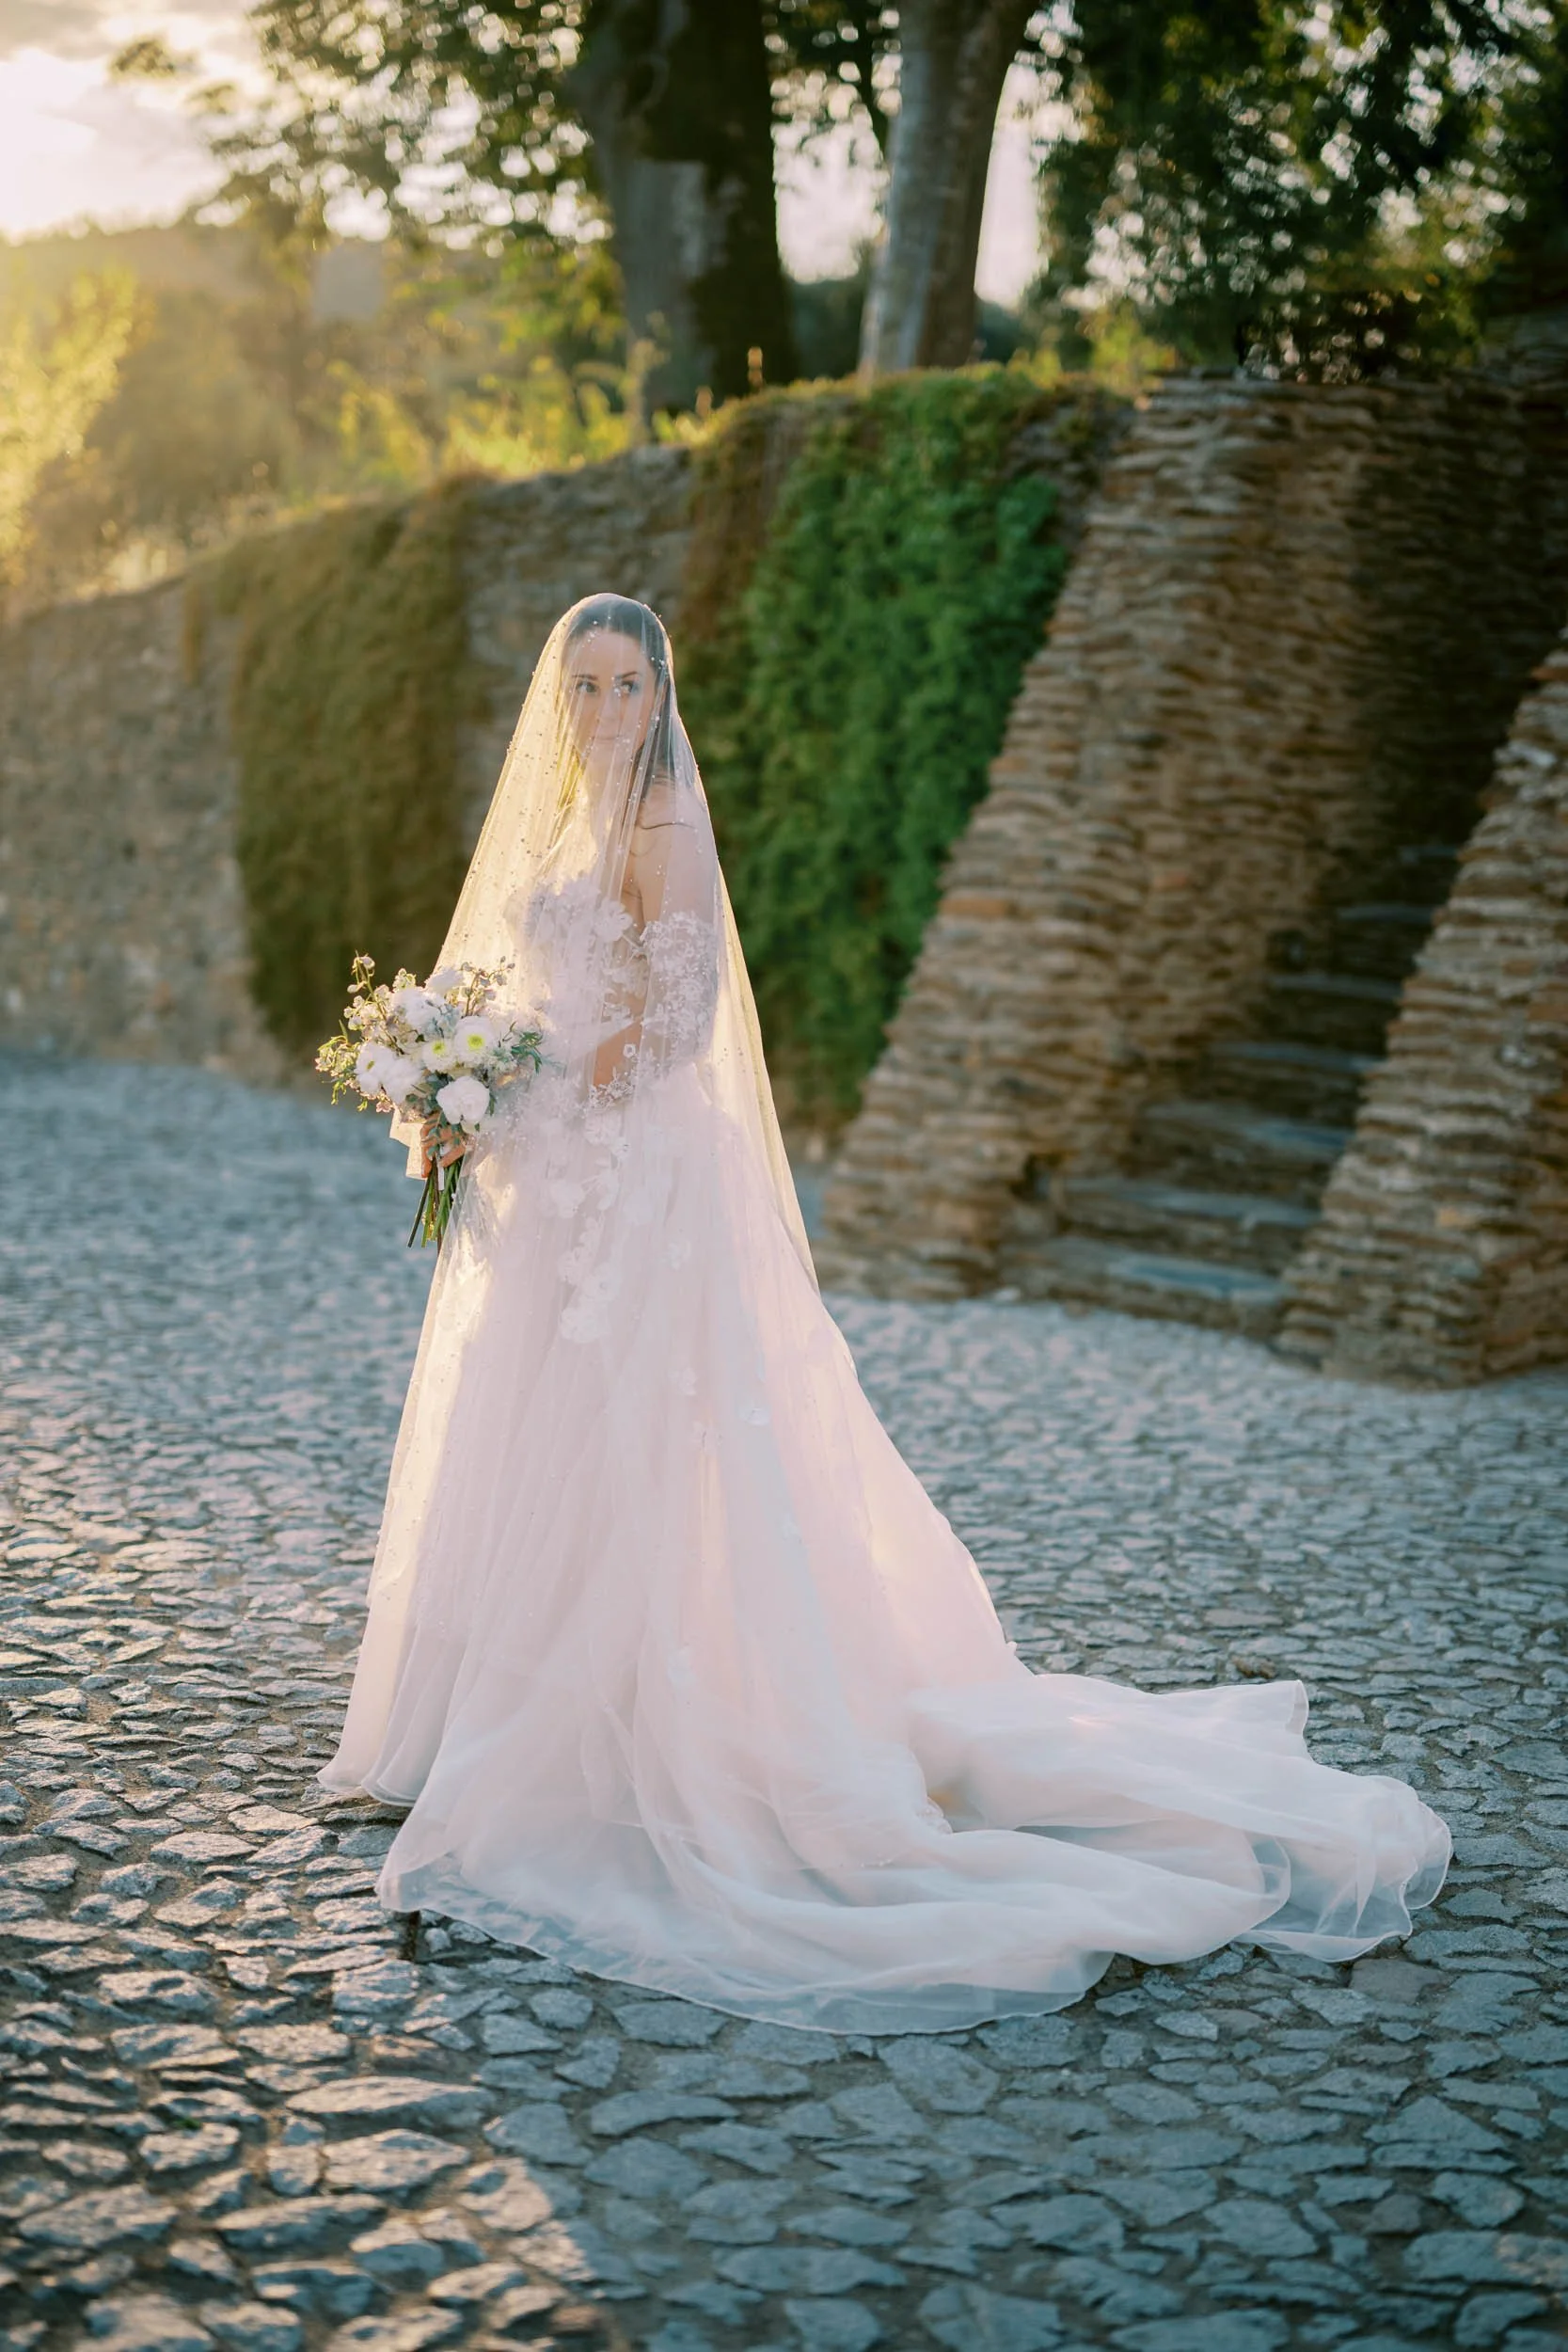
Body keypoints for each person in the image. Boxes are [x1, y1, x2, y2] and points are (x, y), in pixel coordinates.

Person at [322, 593, 1448, 2035]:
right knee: (526, 1434)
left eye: (624, 686)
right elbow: (531, 989)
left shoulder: (663, 834)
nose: (603, 712)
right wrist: (458, 1081)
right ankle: (499, 1717)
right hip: (549, 1182)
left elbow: (670, 1029)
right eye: (583, 688)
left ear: (662, 696)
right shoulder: (553, 833)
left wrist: (522, 1085)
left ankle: (636, 1745)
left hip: (632, 1187)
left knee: (634, 1447)